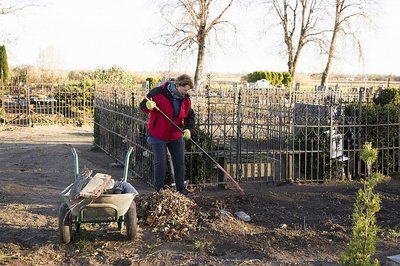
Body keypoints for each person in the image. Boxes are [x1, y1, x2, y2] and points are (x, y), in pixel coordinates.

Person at [139, 74, 196, 197]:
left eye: (187, 90)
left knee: (179, 162)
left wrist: (187, 129)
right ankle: (159, 191)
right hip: (158, 134)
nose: (185, 92)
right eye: (184, 89)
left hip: (175, 135)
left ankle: (181, 189)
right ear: (177, 85)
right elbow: (143, 105)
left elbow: (190, 116)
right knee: (160, 162)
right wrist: (148, 106)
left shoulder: (186, 99)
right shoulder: (159, 92)